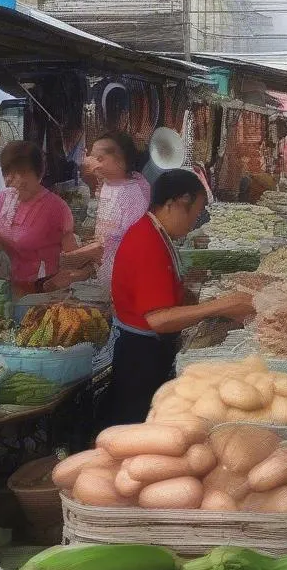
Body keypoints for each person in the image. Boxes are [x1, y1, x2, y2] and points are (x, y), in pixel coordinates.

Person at [103, 169, 253, 426]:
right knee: (139, 431)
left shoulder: (156, 232)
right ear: (177, 203)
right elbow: (159, 319)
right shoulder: (146, 242)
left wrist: (195, 292)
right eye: (195, 213)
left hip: (147, 350)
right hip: (141, 356)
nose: (194, 222)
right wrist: (221, 305)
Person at [0, 140, 82, 298]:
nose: (8, 181)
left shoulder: (56, 209)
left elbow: (72, 258)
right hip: (1, 289)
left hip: (40, 292)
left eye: (17, 173)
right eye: (6, 173)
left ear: (38, 173)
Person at [67, 131, 151, 288]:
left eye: (99, 158)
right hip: (105, 274)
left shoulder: (134, 192)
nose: (91, 162)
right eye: (92, 156)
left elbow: (133, 243)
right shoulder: (108, 184)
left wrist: (81, 256)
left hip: (126, 276)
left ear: (120, 161)